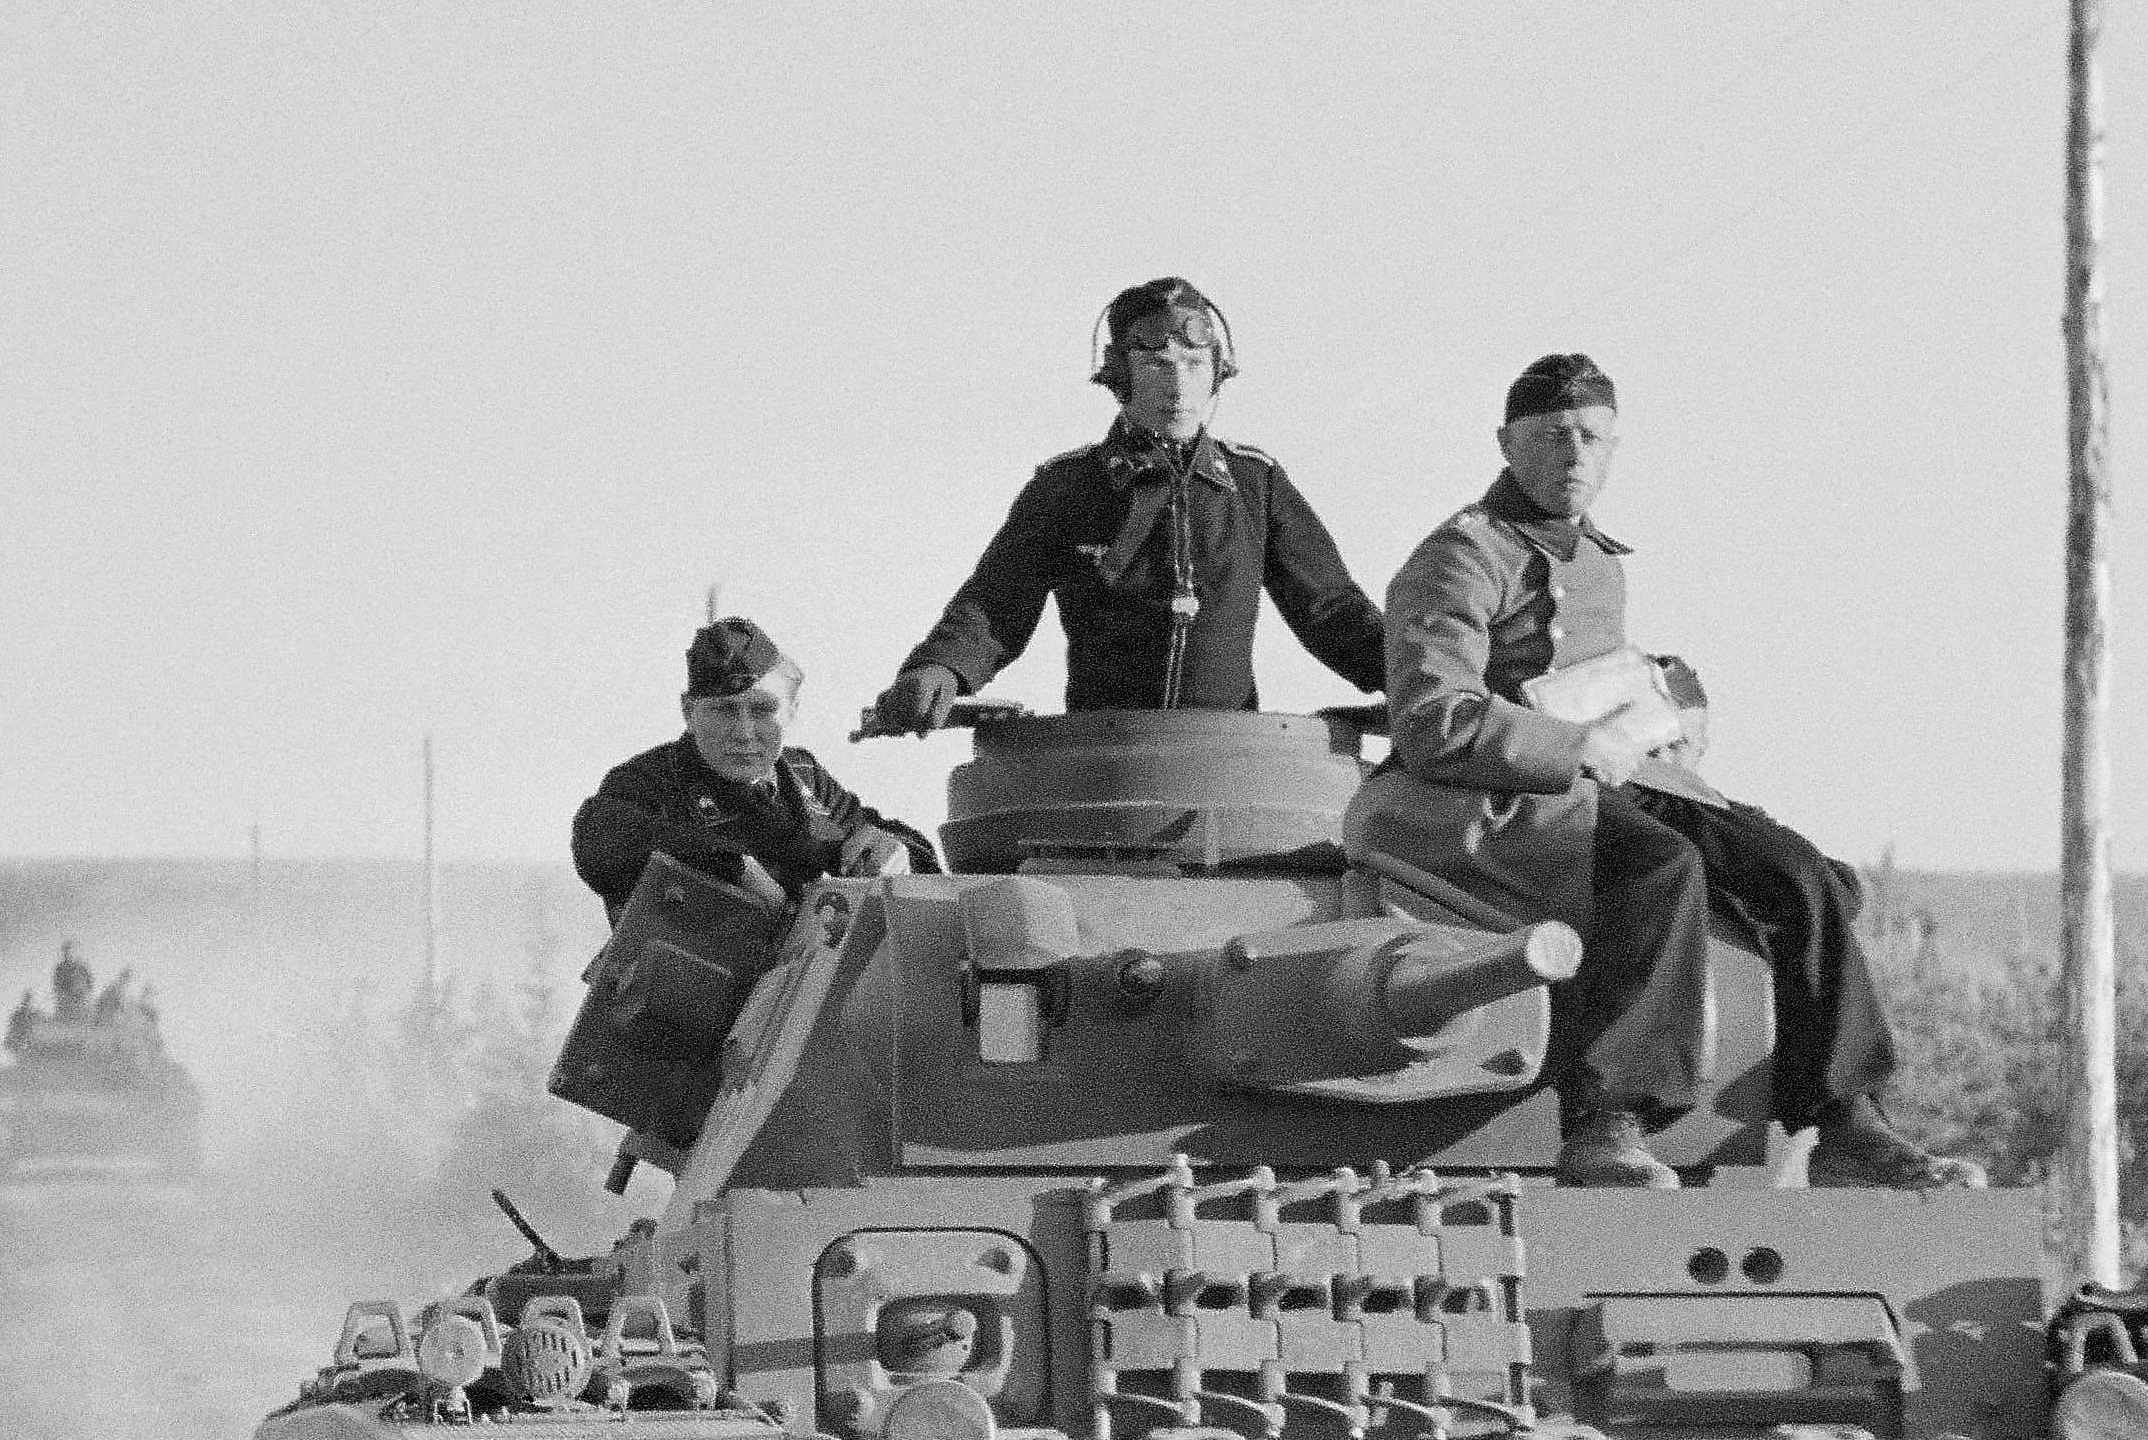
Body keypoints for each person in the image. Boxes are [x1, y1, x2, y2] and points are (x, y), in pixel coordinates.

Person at [1349, 354, 1977, 1192]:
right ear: (1507, 443)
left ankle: (1844, 1118)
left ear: (1613, 447)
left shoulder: (1598, 559)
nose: (1572, 454)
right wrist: (1574, 750)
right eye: (1550, 437)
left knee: (1798, 873)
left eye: (1590, 437)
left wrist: (1664, 706)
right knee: (1657, 869)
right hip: (1483, 796)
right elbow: (1432, 720)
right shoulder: (1460, 558)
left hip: (1611, 776)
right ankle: (1609, 1117)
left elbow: (1586, 671)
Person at [862, 278, 1387, 732]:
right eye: (1157, 365)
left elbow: (1331, 608)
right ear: (1122, 375)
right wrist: (941, 669)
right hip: (1103, 761)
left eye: (1194, 363)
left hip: (1228, 762)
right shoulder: (1067, 486)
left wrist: (1418, 676)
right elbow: (998, 598)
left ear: (1218, 372)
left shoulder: (1255, 483)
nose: (1178, 385)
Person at [573, 617, 935, 916]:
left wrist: (899, 854)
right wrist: (733, 867)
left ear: (791, 711)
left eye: (763, 710)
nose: (744, 733)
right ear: (688, 712)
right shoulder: (650, 781)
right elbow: (599, 842)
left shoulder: (803, 776)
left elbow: (896, 845)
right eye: (724, 710)